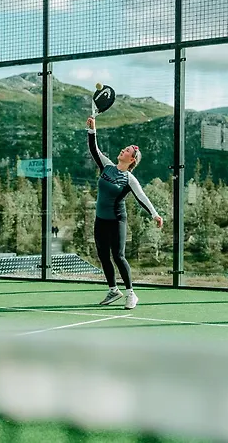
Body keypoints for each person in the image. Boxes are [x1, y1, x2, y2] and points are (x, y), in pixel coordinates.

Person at [86, 116, 163, 310]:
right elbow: (94, 150)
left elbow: (142, 197)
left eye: (127, 150)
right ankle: (113, 290)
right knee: (103, 255)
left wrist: (154, 214)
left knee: (118, 256)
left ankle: (131, 294)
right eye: (124, 148)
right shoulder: (107, 166)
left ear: (132, 159)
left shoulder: (129, 179)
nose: (123, 150)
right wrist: (92, 130)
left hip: (117, 221)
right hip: (100, 220)